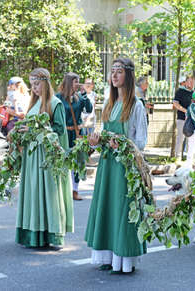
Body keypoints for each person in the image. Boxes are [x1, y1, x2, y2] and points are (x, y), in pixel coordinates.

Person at [85, 57, 148, 274]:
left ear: (128, 76)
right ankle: (108, 256)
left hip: (125, 168)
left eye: (119, 71)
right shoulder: (109, 104)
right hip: (107, 165)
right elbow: (104, 135)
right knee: (108, 207)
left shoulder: (136, 105)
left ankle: (124, 259)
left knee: (122, 209)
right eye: (112, 71)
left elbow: (141, 141)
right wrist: (97, 141)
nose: (114, 75)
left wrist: (122, 145)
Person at [15, 68, 73, 248]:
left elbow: (60, 130)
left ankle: (49, 234)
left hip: (47, 158)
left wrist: (35, 131)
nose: (34, 88)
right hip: (33, 156)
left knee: (47, 194)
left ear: (46, 83)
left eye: (37, 84)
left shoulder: (55, 104)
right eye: (32, 85)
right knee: (34, 193)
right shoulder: (34, 104)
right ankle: (33, 233)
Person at [56, 72, 93, 201]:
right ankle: (62, 190)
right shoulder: (58, 97)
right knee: (63, 161)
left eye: (78, 81)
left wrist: (84, 94)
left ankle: (75, 190)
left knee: (77, 163)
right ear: (68, 82)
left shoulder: (79, 97)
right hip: (64, 134)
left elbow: (88, 109)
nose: (77, 84)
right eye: (75, 82)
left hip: (77, 134)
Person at [173, 75, 194, 158]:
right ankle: (177, 157)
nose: (191, 83)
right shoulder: (180, 91)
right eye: (189, 81)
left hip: (192, 119)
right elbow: (175, 104)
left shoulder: (194, 93)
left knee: (191, 138)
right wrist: (186, 111)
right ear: (185, 82)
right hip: (181, 118)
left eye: (193, 82)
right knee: (180, 137)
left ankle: (189, 157)